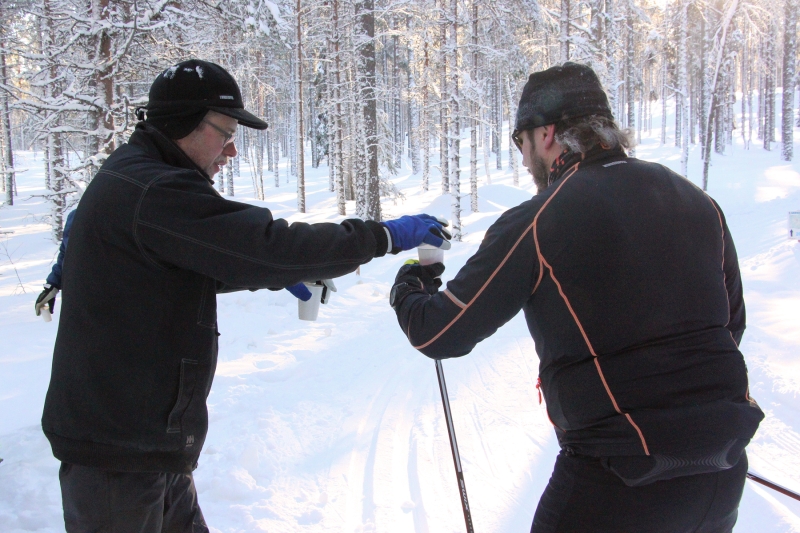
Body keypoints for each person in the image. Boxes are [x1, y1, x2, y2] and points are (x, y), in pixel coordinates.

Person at [42, 59, 449, 533]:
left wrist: (268, 274)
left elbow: (173, 265)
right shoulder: (155, 188)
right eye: (225, 131)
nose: (232, 149)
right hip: (118, 453)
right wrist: (383, 236)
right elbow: (266, 245)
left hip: (142, 441)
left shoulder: (144, 176)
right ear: (184, 123)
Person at [389, 62, 763, 533]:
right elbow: (732, 326)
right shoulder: (696, 199)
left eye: (520, 141)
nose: (524, 160)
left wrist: (411, 280)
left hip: (613, 479)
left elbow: (437, 333)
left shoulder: (541, 217)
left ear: (547, 135)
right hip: (722, 473)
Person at [35, 210, 76, 318]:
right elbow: (66, 252)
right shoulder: (78, 215)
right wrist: (51, 285)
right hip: (79, 304)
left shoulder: (123, 212)